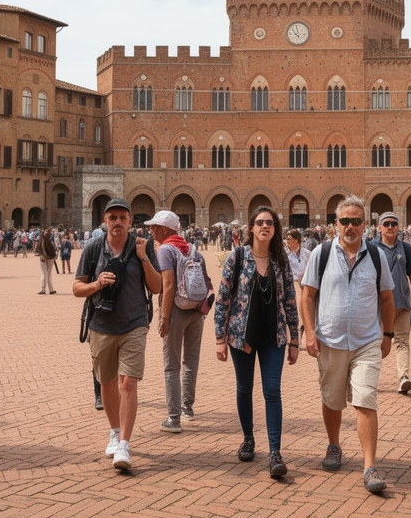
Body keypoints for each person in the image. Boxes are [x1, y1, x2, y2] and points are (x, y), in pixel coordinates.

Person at [300, 196, 396, 493]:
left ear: (365, 224)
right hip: (330, 339)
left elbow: (387, 298)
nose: (350, 226)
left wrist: (388, 335)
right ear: (336, 224)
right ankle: (333, 445)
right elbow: (307, 295)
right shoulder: (321, 253)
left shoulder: (377, 256)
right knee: (332, 398)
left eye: (356, 221)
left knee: (365, 398)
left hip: (367, 340)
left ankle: (369, 466)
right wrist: (310, 332)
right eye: (345, 221)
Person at [72, 199, 162, 472]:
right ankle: (114, 430)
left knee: (128, 383)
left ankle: (124, 443)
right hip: (101, 325)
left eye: (123, 217)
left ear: (130, 220)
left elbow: (157, 287)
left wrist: (143, 257)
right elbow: (77, 288)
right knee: (108, 383)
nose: (118, 222)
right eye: (113, 218)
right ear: (105, 221)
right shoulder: (93, 248)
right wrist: (98, 284)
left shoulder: (143, 246)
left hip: (134, 324)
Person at [216, 207, 299, 478]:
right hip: (242, 335)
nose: (265, 226)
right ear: (251, 227)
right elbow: (223, 299)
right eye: (260, 222)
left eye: (270, 223)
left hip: (274, 335)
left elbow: (290, 300)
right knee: (244, 388)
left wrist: (294, 340)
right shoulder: (237, 256)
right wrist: (219, 338)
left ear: (275, 229)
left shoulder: (281, 260)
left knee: (272, 391)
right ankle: (248, 438)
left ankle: (275, 452)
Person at [150, 211, 207, 433]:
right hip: (196, 310)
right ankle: (187, 408)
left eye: (155, 226)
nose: (151, 230)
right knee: (191, 361)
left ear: (165, 229)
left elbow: (169, 284)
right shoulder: (191, 248)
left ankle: (173, 418)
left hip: (175, 310)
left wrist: (165, 318)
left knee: (171, 365)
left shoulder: (166, 250)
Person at [371, 212, 411, 394]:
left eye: (393, 224)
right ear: (379, 227)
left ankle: (403, 377)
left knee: (402, 342)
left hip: (402, 304)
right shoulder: (371, 247)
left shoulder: (405, 248)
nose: (390, 227)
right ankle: (370, 380)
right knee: (375, 343)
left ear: (398, 227)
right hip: (379, 306)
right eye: (386, 224)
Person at [38, 227, 59, 294]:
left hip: (43, 257)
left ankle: (43, 289)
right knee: (49, 274)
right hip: (50, 257)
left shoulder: (41, 240)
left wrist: (45, 255)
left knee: (44, 273)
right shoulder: (50, 241)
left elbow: (40, 249)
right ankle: (51, 289)